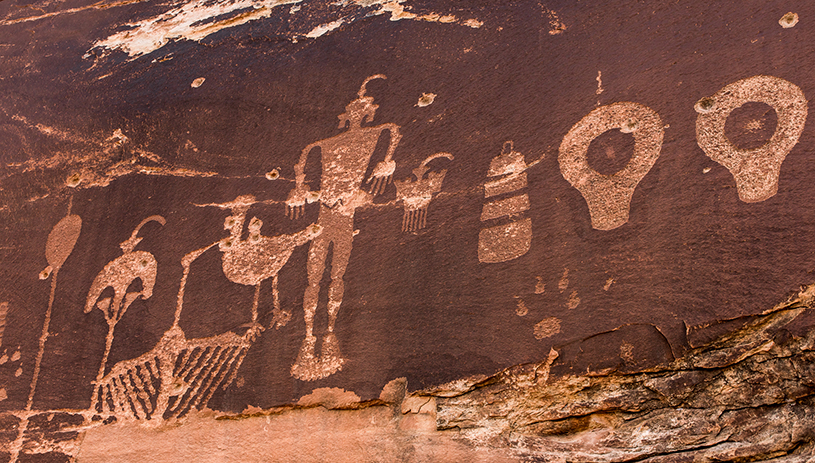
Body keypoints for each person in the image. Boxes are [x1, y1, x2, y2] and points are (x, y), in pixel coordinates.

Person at [286, 74, 401, 381]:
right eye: (354, 111)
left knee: (335, 274)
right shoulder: (325, 144)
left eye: (362, 111)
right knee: (316, 276)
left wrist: (387, 161)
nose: (357, 116)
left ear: (367, 113)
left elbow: (392, 133)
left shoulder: (372, 134)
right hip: (327, 215)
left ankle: (329, 332)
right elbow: (304, 160)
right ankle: (310, 336)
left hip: (341, 216)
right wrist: (301, 188)